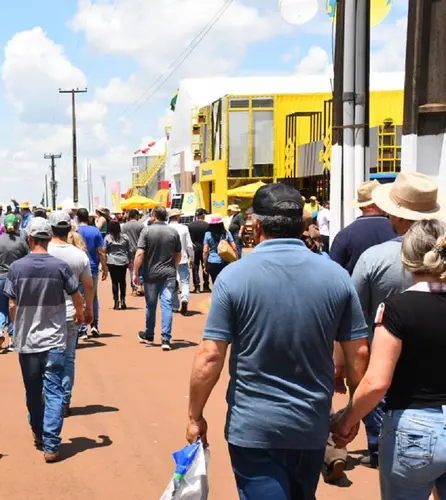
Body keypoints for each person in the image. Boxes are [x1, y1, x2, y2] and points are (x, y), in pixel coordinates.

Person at [185, 183, 370, 500]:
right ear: (301, 224)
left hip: (254, 428)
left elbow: (210, 356)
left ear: (255, 225)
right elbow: (359, 353)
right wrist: (353, 413)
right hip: (310, 427)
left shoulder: (234, 277)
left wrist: (195, 416)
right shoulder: (336, 276)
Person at [332, 218, 446, 500]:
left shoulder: (397, 308)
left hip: (414, 429)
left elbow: (377, 382)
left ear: (406, 259)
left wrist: (346, 421)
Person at [349, 172, 441, 470]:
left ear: (397, 216)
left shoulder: (374, 258)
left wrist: (345, 418)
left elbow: (353, 318)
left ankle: (376, 449)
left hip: (399, 390)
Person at [4, 218, 84, 463]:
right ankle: (51, 443)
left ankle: (40, 432)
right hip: (55, 340)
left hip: (27, 341)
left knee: (33, 390)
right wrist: (81, 314)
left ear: (29, 239)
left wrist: (16, 326)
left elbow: (11, 304)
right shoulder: (60, 267)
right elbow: (76, 295)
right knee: (54, 390)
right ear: (49, 239)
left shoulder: (16, 268)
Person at [47, 211, 94, 417]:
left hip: (45, 314)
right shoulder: (79, 255)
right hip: (72, 313)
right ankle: (64, 400)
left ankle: (51, 399)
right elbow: (89, 286)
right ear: (69, 230)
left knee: (46, 357)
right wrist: (89, 309)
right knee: (68, 358)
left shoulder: (43, 252)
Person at [133, 206, 181, 351]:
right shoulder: (173, 232)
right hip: (168, 274)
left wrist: (135, 273)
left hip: (151, 274)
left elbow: (140, 254)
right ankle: (166, 338)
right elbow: (178, 254)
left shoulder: (146, 231)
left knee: (151, 305)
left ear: (154, 215)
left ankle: (149, 334)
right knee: (166, 305)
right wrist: (173, 267)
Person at [330, 180, 397, 275]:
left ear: (361, 206)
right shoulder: (399, 229)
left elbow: (334, 273)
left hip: (357, 288)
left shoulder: (344, 235)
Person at [0, 214, 29, 352]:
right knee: (14, 307)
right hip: (16, 278)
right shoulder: (22, 242)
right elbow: (27, 260)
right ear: (18, 225)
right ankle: (12, 339)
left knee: (1, 307)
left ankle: (0, 331)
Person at [76, 208, 107, 339]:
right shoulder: (95, 231)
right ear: (88, 218)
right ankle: (94, 325)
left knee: (79, 297)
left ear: (77, 217)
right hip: (92, 267)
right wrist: (105, 267)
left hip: (77, 267)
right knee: (93, 297)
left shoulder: (74, 231)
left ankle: (82, 329)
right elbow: (100, 251)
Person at [104, 219, 134, 310]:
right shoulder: (125, 237)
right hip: (123, 261)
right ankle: (123, 299)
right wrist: (130, 260)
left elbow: (104, 250)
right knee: (122, 281)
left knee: (114, 282)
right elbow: (130, 249)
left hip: (112, 261)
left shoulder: (108, 238)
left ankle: (116, 301)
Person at [168, 209, 194, 314]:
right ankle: (184, 299)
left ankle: (174, 305)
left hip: (169, 260)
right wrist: (192, 257)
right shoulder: (184, 228)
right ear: (177, 217)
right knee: (185, 282)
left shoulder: (166, 228)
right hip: (182, 258)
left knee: (172, 283)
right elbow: (189, 245)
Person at [202, 214, 237, 283]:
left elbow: (205, 250)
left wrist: (205, 263)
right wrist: (235, 258)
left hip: (212, 260)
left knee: (215, 282)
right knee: (225, 282)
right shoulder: (226, 233)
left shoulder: (208, 234)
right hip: (225, 260)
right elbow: (234, 247)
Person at [187, 209, 210, 293]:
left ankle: (197, 287)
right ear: (202, 215)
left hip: (194, 247)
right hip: (204, 247)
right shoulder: (207, 225)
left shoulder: (190, 225)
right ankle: (206, 286)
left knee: (195, 267)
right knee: (205, 266)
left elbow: (189, 238)